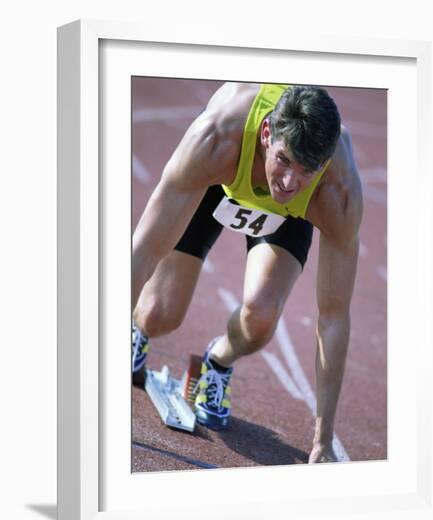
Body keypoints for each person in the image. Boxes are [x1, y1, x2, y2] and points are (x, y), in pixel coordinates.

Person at [131, 82, 363, 463]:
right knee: (158, 315)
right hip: (219, 177)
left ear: (323, 166)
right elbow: (141, 253)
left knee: (262, 316)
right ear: (268, 133)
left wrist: (324, 439)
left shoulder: (337, 193)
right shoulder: (216, 138)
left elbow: (334, 317)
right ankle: (137, 332)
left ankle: (217, 362)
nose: (288, 182)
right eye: (284, 160)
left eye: (306, 171)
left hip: (287, 216)